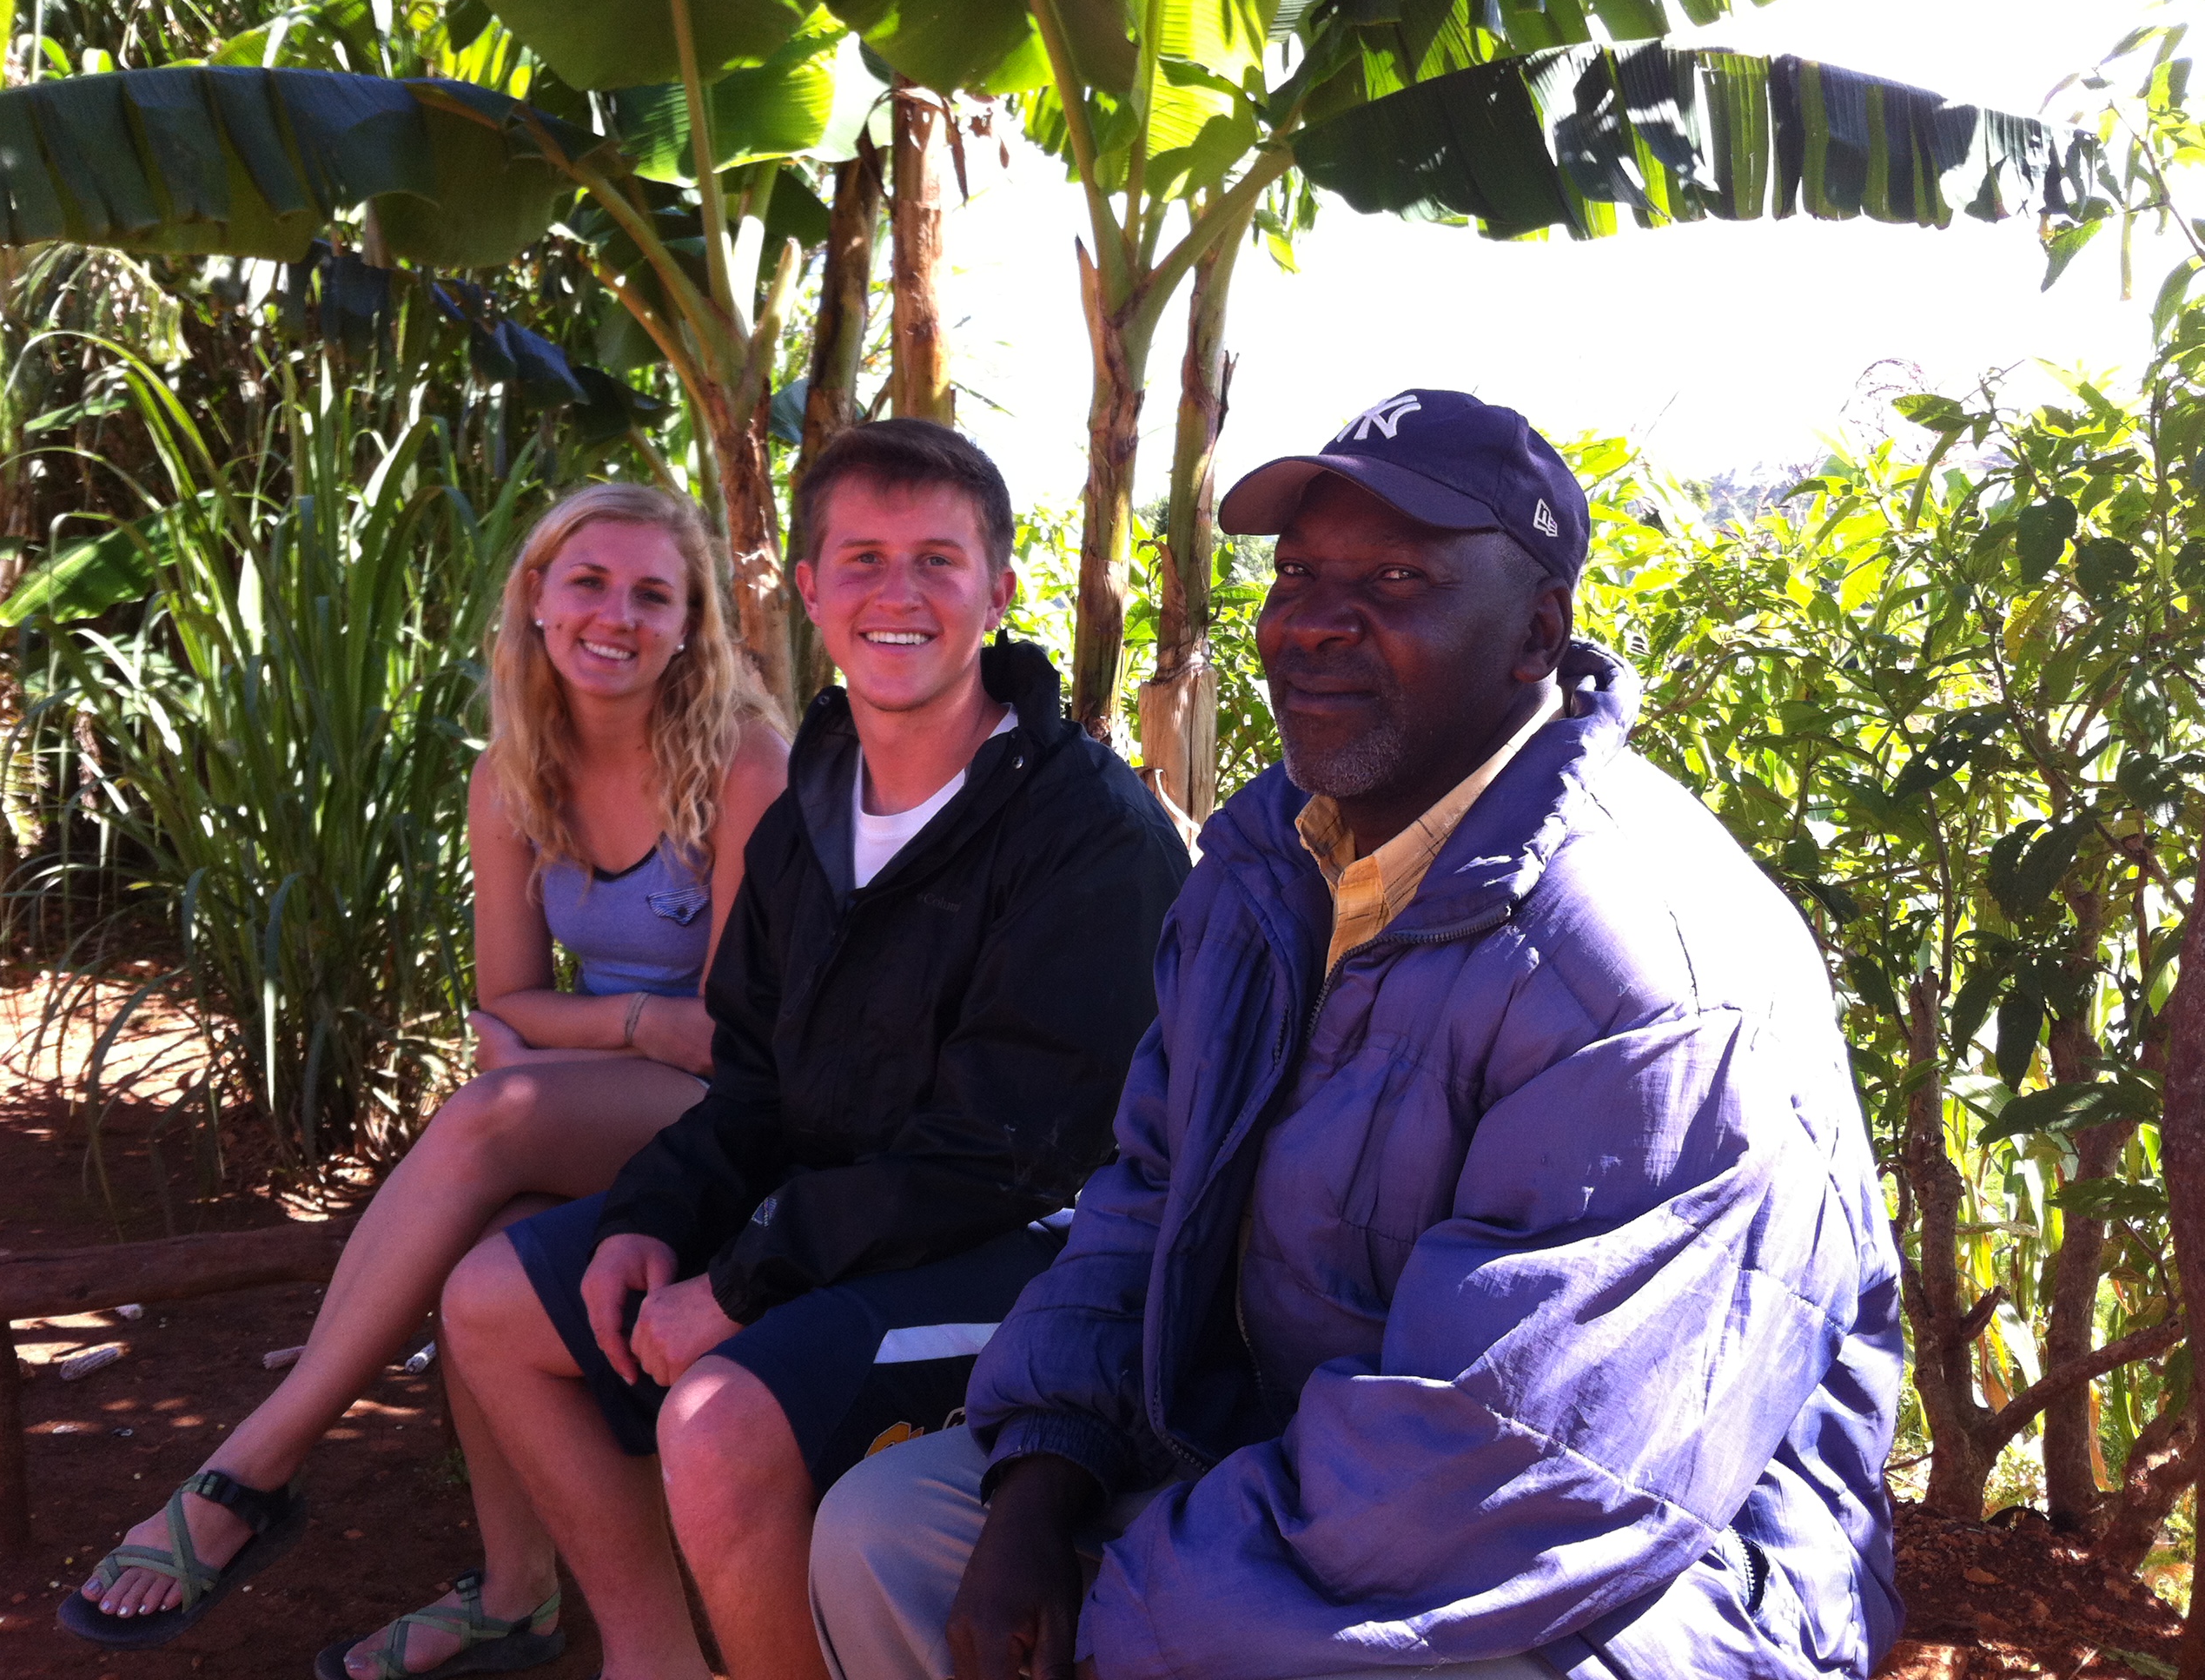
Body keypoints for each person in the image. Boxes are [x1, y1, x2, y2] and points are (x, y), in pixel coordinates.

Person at [811, 390, 1906, 1680]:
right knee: (892, 1533)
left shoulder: (1642, 977)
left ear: (1535, 635)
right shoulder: (1267, 866)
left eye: (1396, 579)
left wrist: (1136, 1602)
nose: (1315, 621)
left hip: (1627, 1564)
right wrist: (1045, 1476)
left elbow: (1511, 1466)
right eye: (1297, 575)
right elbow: (1149, 1195)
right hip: (1285, 1461)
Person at [420, 419, 1190, 1680]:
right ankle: (653, 1659)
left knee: (721, 1421)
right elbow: (754, 1076)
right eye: (865, 560)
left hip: (1044, 1256)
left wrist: (739, 1283)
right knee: (494, 1304)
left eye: (938, 561)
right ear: (812, 590)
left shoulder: (1088, 832)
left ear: (999, 592)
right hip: (845, 1213)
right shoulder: (815, 808)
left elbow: (1001, 1158)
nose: (899, 595)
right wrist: (656, 1216)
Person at [61, 482, 789, 1664]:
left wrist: (583, 1037)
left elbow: (724, 1033)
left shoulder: (743, 763)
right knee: (486, 1246)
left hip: (743, 1107)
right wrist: (627, 1025)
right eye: (589, 582)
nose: (617, 614)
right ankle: (515, 1591)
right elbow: (504, 1001)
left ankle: (254, 1466)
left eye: (654, 594)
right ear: (537, 598)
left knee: (496, 1110)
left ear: (691, 626)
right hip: (603, 1091)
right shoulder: (512, 777)